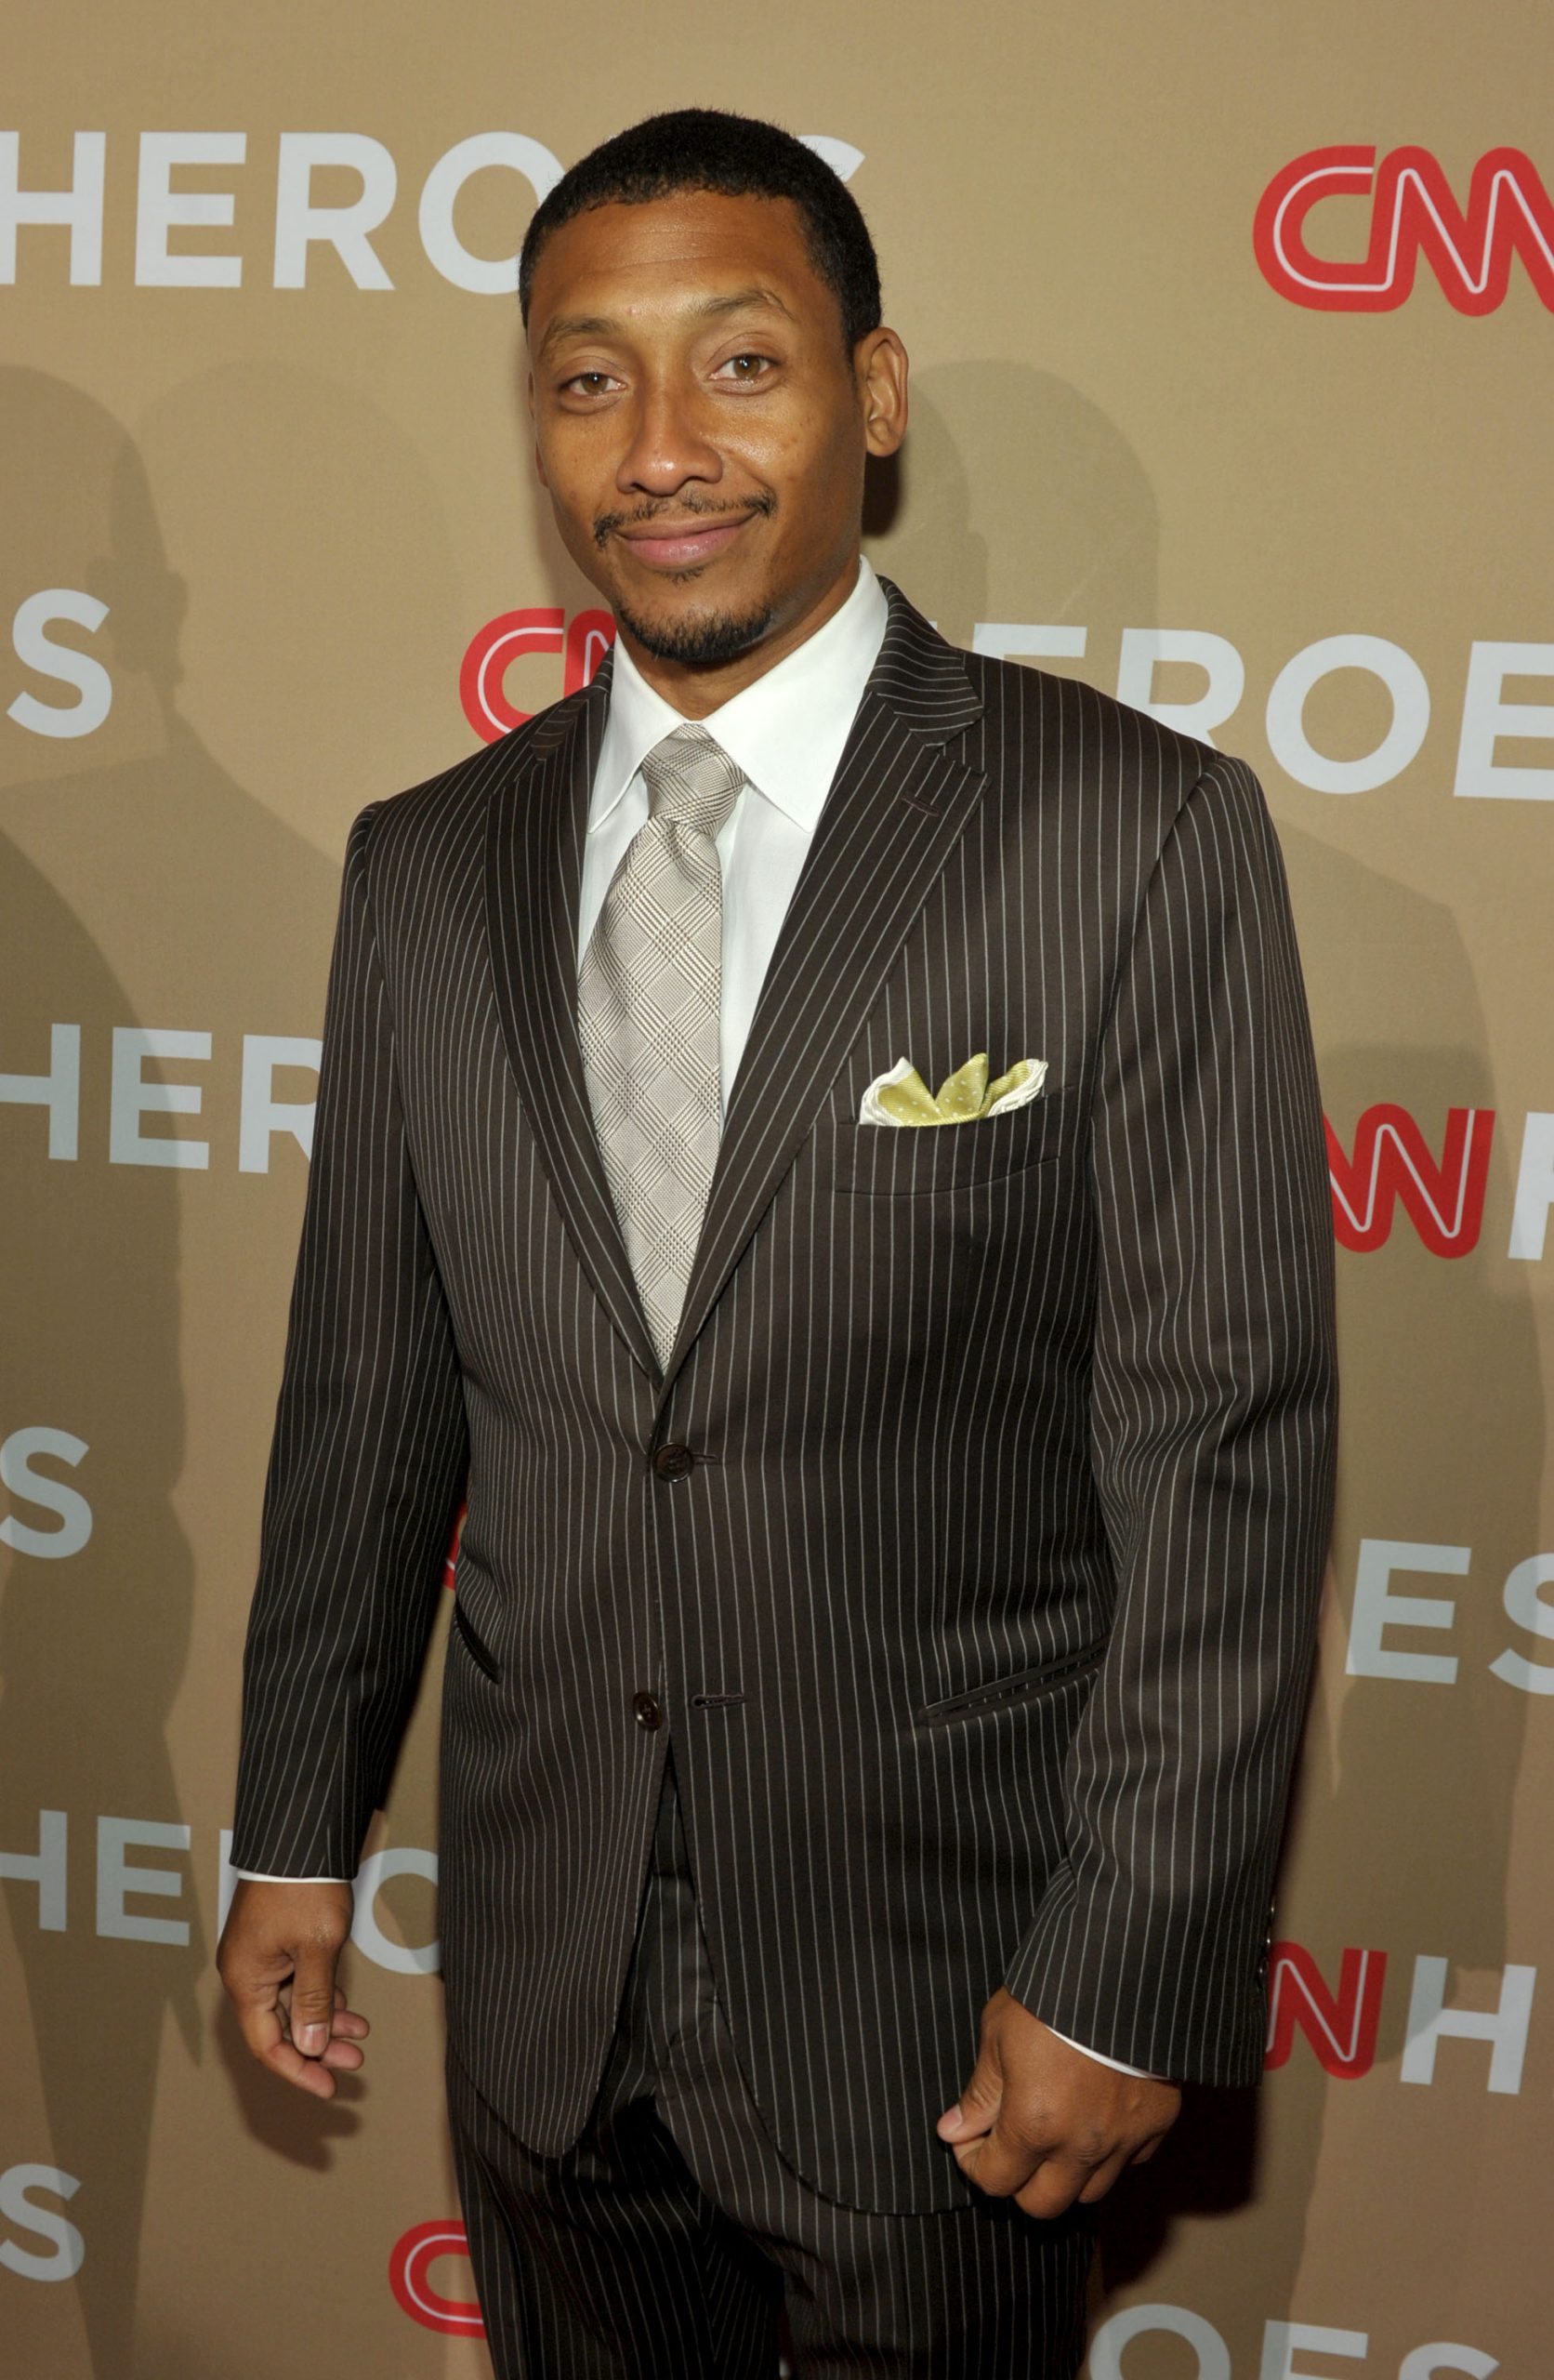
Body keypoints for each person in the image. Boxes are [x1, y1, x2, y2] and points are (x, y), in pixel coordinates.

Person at [217, 107, 1337, 2379]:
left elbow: (1219, 1457)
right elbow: (366, 1393)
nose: (656, 449)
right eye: (583, 377)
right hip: (545, 1996)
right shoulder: (425, 867)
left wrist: (1123, 1961)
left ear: (873, 394)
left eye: (737, 365)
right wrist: (291, 1829)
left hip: (939, 1998)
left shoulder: (1123, 833)